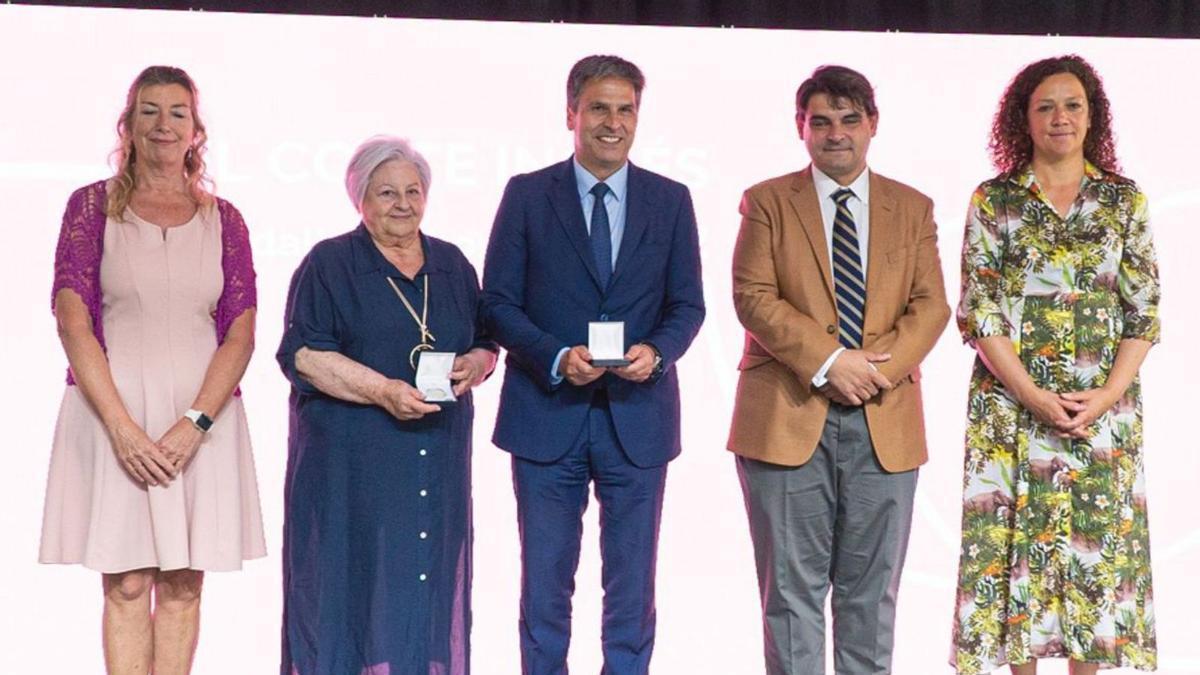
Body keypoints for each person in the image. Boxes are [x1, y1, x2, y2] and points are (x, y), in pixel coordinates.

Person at [481, 54, 705, 674]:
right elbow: (497, 301)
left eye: (625, 109)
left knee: (632, 591)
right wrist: (553, 356)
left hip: (638, 421)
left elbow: (688, 304)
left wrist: (656, 353)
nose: (613, 122)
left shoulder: (671, 199)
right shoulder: (527, 194)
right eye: (599, 108)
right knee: (546, 587)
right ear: (571, 114)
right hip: (545, 416)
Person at [39, 65, 266, 674]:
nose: (163, 125)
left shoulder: (227, 219)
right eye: (149, 111)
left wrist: (195, 423)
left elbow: (240, 332)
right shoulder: (90, 207)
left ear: (196, 130)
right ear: (129, 125)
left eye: (177, 112)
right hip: (112, 413)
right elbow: (72, 320)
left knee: (185, 584)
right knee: (128, 585)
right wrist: (121, 429)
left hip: (203, 418)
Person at [728, 64, 950, 674]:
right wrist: (829, 363)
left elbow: (932, 305)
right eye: (820, 121)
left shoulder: (913, 206)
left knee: (870, 598)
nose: (835, 134)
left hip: (885, 418)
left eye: (850, 120)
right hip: (785, 419)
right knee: (791, 599)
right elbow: (753, 296)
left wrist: (873, 369)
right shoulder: (767, 200)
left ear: (872, 124)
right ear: (800, 128)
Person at [951, 54, 1159, 675]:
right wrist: (1035, 397)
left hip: (1103, 415)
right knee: (1018, 557)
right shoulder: (995, 200)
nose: (1059, 117)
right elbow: (979, 312)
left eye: (1072, 104)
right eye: (1045, 106)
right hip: (1011, 413)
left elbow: (1143, 313)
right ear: (1024, 118)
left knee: (1091, 560)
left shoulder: (1124, 201)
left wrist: (1105, 397)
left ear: (1092, 115)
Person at [277, 136, 497, 675]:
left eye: (412, 191)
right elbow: (304, 355)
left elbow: (488, 339)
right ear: (360, 199)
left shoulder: (451, 263)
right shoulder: (329, 263)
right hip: (351, 470)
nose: (402, 204)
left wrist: (477, 362)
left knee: (423, 595)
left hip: (434, 462)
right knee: (348, 594)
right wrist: (383, 391)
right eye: (386, 193)